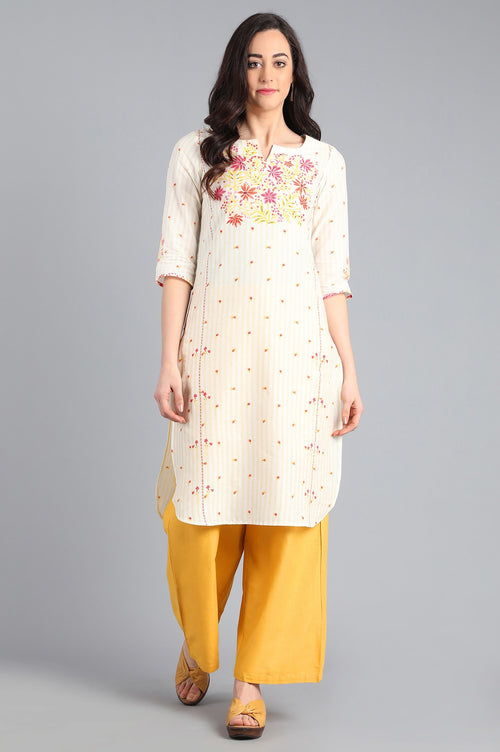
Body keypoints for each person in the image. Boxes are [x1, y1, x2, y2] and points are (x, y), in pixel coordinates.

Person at [153, 12, 364, 740]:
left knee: (286, 515)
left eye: (279, 61)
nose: (266, 74)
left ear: (294, 73)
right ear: (236, 71)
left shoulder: (323, 165)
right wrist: (168, 359)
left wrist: (349, 370)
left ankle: (250, 679)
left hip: (297, 365)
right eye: (253, 61)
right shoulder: (197, 154)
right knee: (200, 515)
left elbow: (333, 275)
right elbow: (176, 263)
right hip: (213, 361)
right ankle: (198, 641)